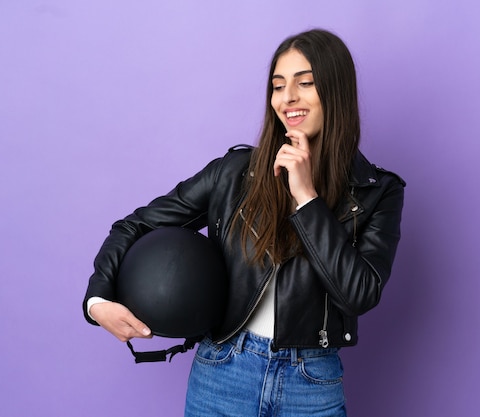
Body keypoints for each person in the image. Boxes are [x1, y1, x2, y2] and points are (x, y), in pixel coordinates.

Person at [83, 28, 405, 417]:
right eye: (278, 85)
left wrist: (306, 197)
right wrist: (98, 300)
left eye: (305, 83)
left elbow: (359, 294)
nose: (288, 98)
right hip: (223, 371)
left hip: (312, 381)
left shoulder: (377, 190)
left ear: (335, 92)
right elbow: (135, 225)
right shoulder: (234, 173)